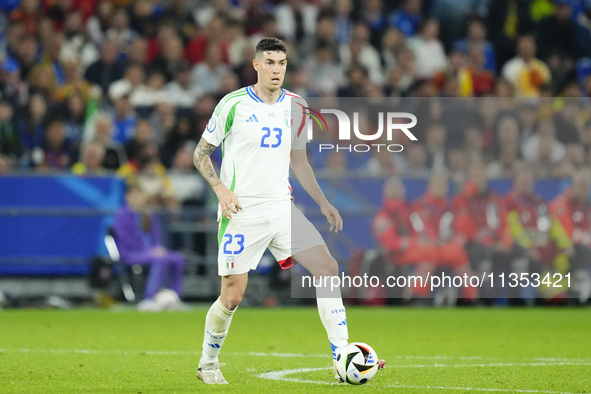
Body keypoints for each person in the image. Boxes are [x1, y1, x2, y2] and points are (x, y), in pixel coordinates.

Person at [191, 37, 385, 385]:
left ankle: (341, 354)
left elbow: (299, 160)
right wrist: (220, 189)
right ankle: (208, 363)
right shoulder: (232, 104)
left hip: (283, 208)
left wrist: (323, 202)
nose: (276, 69)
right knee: (232, 296)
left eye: (281, 63)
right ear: (256, 65)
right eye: (269, 62)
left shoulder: (296, 106)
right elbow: (200, 154)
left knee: (327, 266)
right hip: (241, 211)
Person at [112, 184, 185, 302]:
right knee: (159, 260)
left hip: (150, 253)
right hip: (130, 254)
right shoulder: (122, 215)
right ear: (127, 197)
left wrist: (159, 248)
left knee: (178, 259)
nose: (138, 199)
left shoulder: (149, 214)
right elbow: (125, 240)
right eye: (134, 195)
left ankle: (175, 298)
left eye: (140, 195)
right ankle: (149, 298)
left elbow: (156, 237)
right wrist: (150, 251)